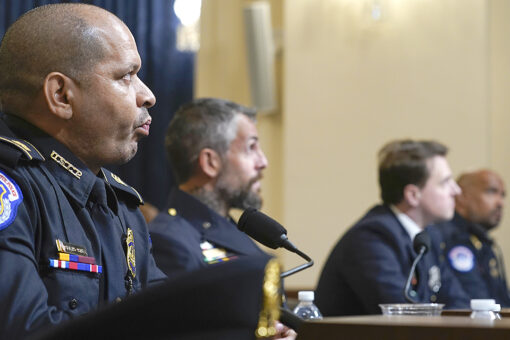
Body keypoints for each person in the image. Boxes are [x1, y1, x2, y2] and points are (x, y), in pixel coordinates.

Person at [0, 3, 169, 337]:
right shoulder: (11, 191)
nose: (147, 95)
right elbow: (26, 331)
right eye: (126, 76)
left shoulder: (121, 204)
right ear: (61, 95)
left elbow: (167, 314)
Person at [315, 139, 471, 316]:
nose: (456, 190)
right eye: (445, 182)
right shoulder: (371, 238)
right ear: (413, 195)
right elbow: (400, 314)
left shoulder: (429, 236)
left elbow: (458, 302)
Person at [149, 98, 269, 277]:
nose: (263, 162)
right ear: (210, 162)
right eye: (251, 147)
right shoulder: (169, 241)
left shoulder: (229, 229)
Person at [432, 169, 510, 306]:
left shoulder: (481, 239)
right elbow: (475, 302)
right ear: (461, 196)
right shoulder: (452, 237)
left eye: (502, 195)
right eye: (491, 191)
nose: (500, 203)